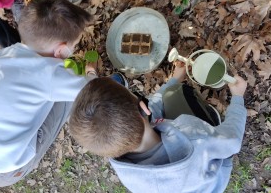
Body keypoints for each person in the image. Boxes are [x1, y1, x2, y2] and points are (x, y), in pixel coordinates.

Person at [0, 0, 95, 187]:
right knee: (66, 102)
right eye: (74, 45)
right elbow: (91, 90)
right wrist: (91, 71)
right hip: (2, 169)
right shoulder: (48, 76)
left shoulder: (1, 56)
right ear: (61, 51)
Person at [69, 62, 248, 193]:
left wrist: (174, 80)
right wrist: (238, 97)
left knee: (170, 96)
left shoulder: (123, 164)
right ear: (143, 108)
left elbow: (151, 110)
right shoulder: (194, 137)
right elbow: (232, 140)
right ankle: (212, 119)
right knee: (183, 98)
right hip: (211, 182)